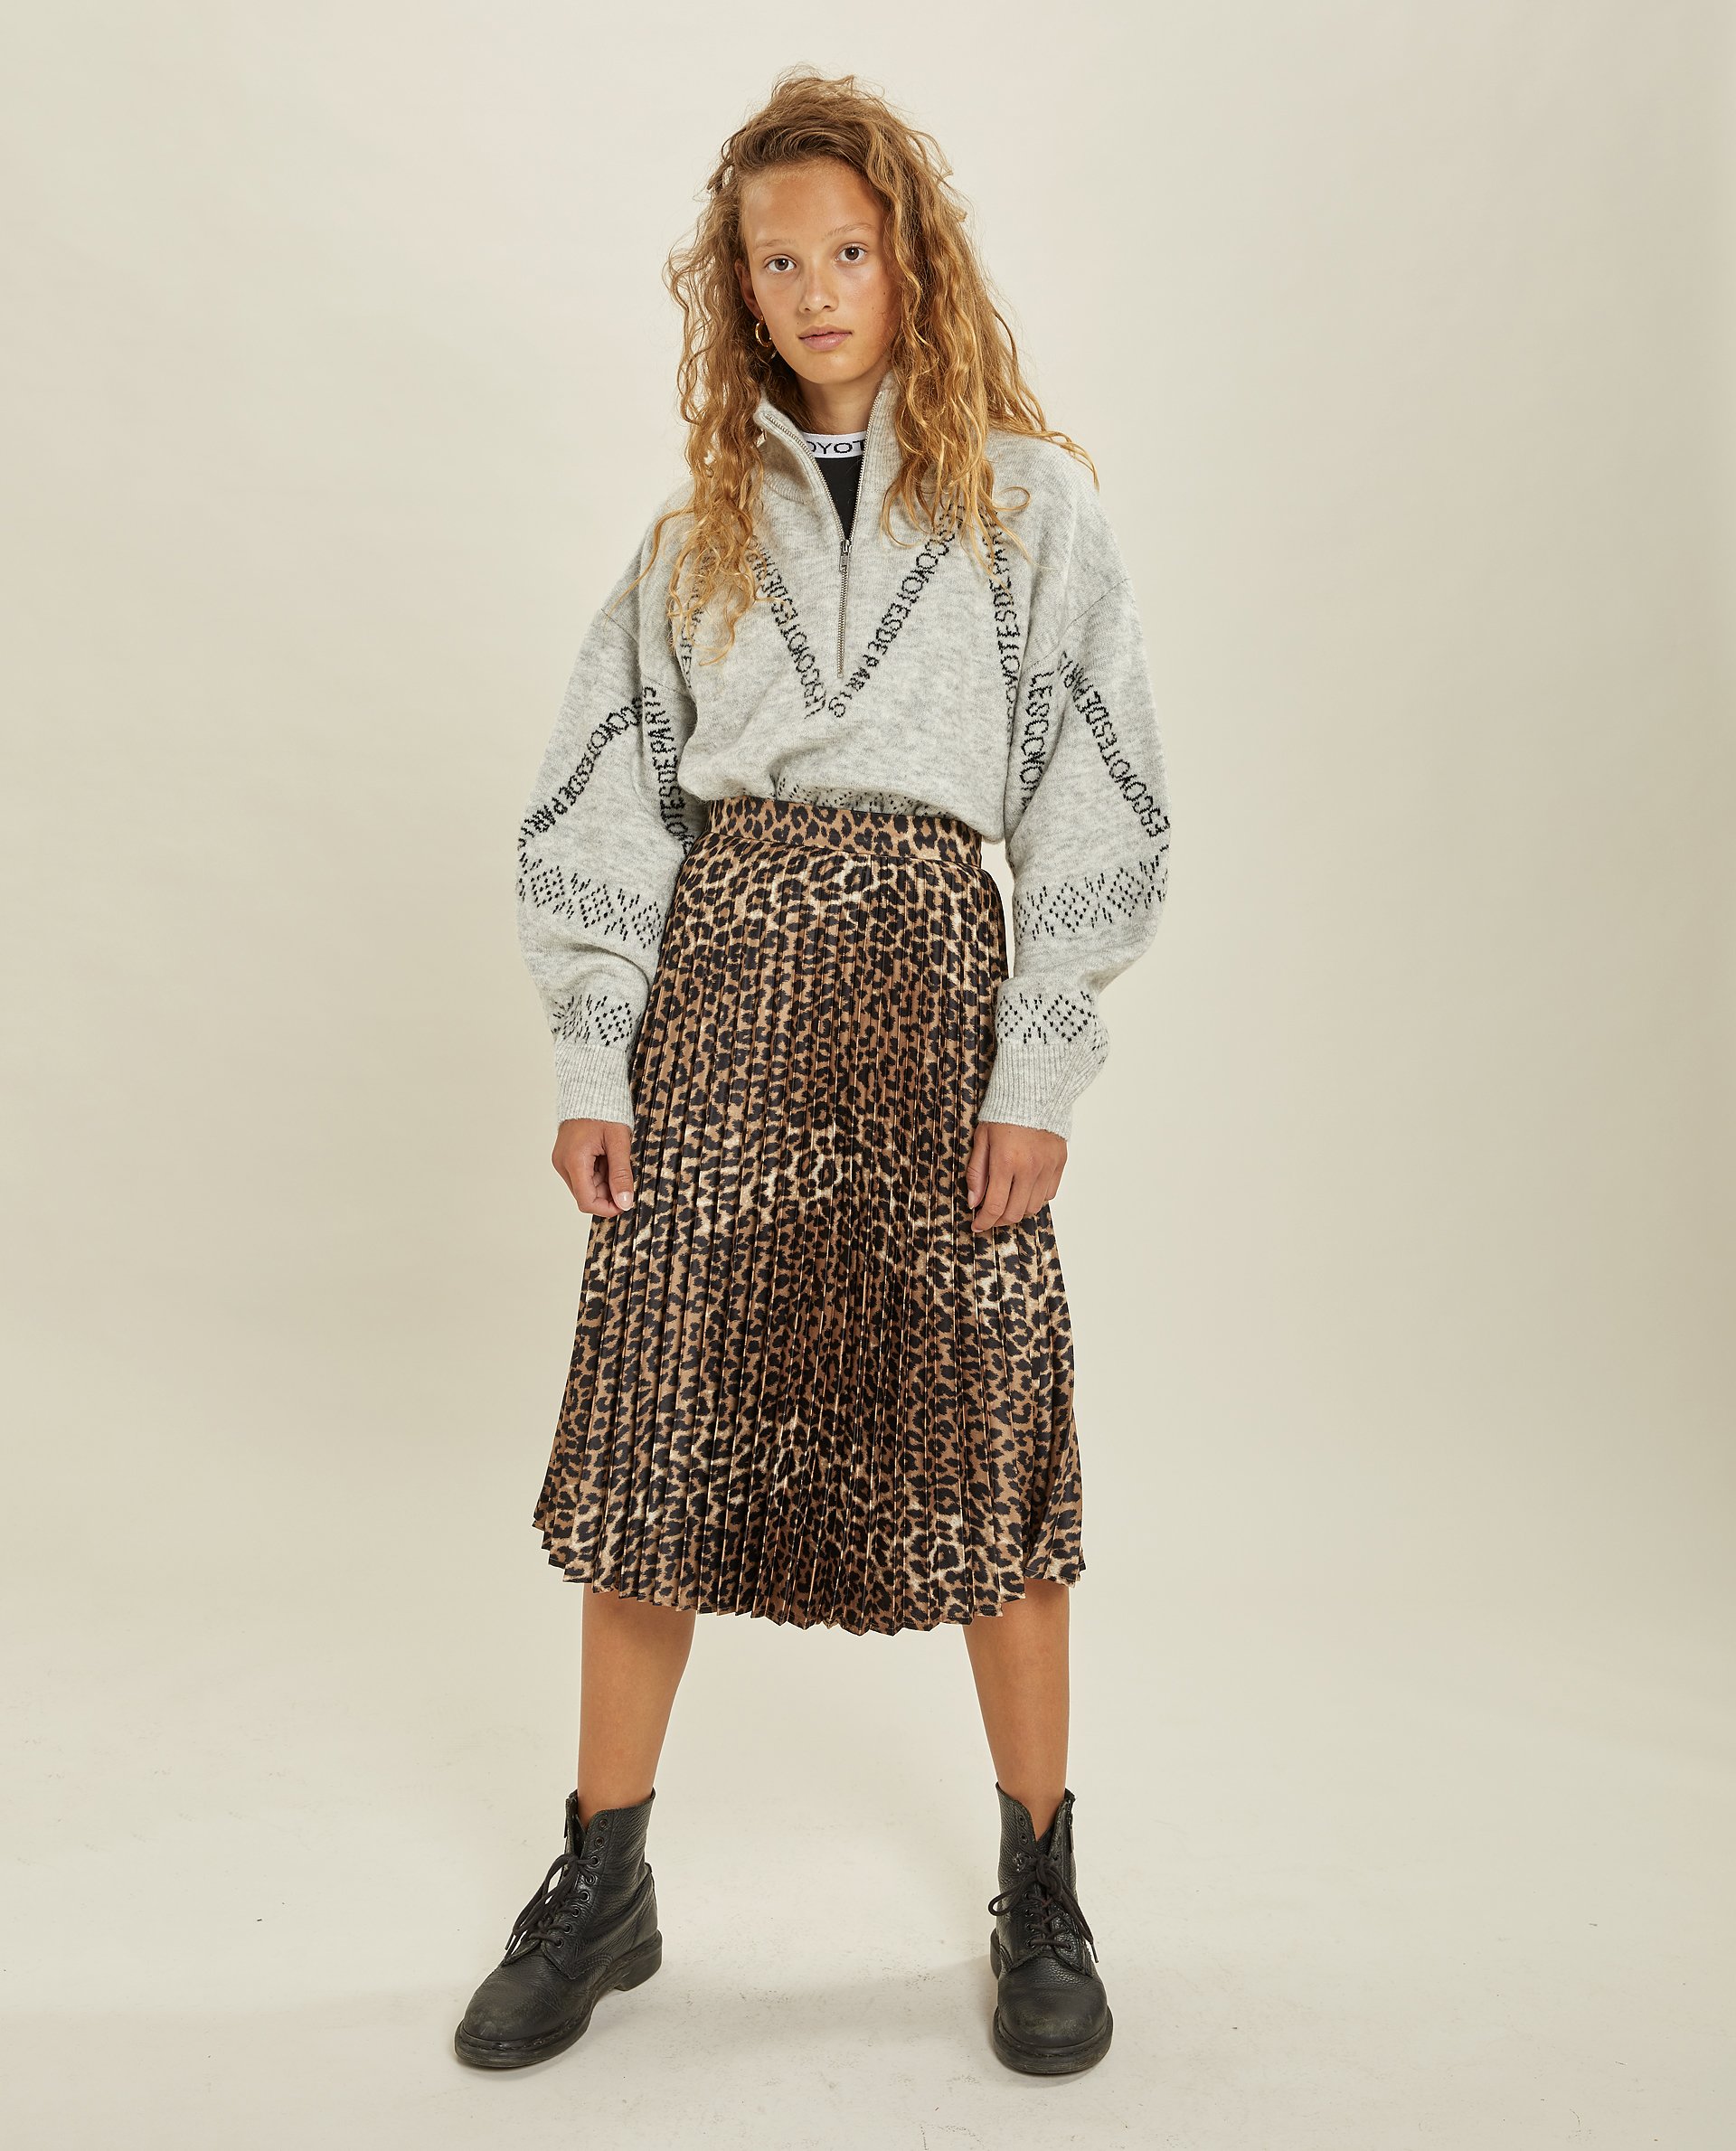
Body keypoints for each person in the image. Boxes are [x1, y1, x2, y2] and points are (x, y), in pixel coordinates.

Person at [453, 68, 1173, 2080]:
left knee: (986, 1437)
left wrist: (1041, 1064)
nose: (819, 288)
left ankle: (1043, 1879)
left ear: (910, 259)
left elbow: (1100, 797)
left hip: (936, 1005)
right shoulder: (693, 534)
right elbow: (603, 804)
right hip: (724, 1004)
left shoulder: (1031, 505)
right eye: (779, 262)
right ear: (740, 290)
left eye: (850, 249)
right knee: (657, 1438)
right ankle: (605, 1876)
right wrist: (596, 1050)